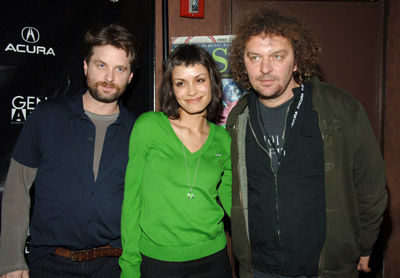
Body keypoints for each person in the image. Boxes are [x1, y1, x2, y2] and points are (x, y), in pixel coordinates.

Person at [226, 6, 387, 278]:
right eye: (255, 57)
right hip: (261, 268)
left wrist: (365, 244)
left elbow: (371, 186)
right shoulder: (237, 118)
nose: (265, 68)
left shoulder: (341, 109)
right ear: (244, 63)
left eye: (277, 56)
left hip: (326, 267)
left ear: (296, 60)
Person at [0, 23, 139, 278]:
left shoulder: (138, 131)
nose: (109, 77)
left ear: (130, 77)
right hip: (51, 264)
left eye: (120, 69)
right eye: (101, 65)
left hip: (114, 265)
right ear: (85, 66)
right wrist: (10, 259)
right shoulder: (46, 117)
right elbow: (17, 190)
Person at [119, 44, 232, 278]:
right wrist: (129, 266)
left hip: (214, 260)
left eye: (199, 80)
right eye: (181, 83)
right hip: (158, 263)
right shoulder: (148, 126)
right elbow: (131, 202)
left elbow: (234, 203)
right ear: (171, 88)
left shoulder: (223, 139)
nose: (192, 91)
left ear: (212, 81)